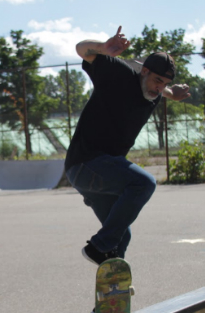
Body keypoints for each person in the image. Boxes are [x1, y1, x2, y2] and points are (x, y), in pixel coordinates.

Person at [65, 26, 191, 265]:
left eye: (163, 84)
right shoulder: (118, 74)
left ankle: (112, 295)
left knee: (121, 235)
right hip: (86, 162)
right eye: (156, 81)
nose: (157, 88)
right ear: (144, 71)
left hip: (97, 176)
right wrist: (103, 47)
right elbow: (81, 49)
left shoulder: (156, 92)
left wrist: (171, 93)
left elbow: (161, 89)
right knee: (143, 183)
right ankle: (97, 247)